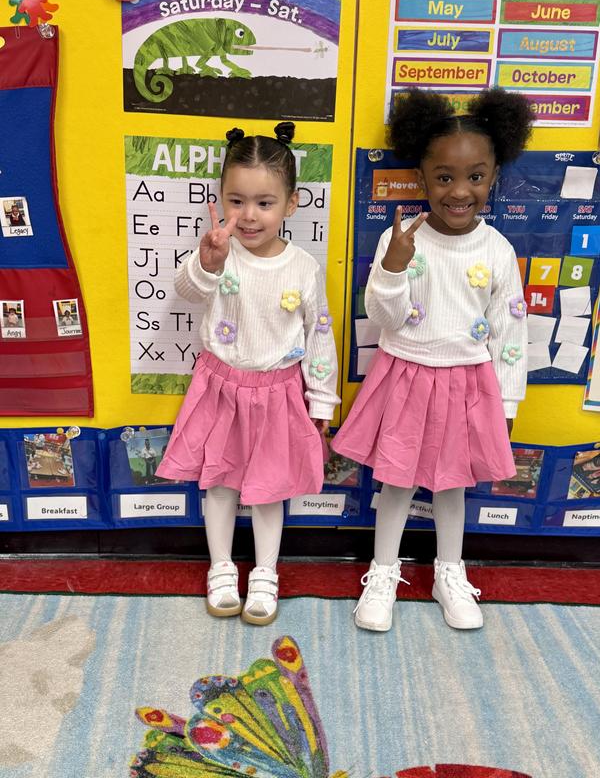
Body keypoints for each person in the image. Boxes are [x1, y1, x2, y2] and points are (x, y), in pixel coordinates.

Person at [332, 88, 533, 632]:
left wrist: (508, 402)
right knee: (396, 482)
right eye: (444, 177)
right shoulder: (400, 240)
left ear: (494, 177)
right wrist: (394, 267)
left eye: (475, 176)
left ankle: (449, 571)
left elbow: (510, 332)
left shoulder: (497, 250)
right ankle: (382, 572)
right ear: (421, 178)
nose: (460, 191)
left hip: (468, 384)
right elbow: (384, 316)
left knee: (451, 485)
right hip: (404, 376)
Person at [156, 122, 339, 625]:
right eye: (236, 201)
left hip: (280, 393)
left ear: (292, 203)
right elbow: (188, 292)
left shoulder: (303, 266)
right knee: (219, 482)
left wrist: (322, 399)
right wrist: (208, 263)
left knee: (269, 489)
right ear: (220, 199)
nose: (249, 215)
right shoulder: (217, 254)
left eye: (264, 202)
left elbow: (320, 336)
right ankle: (219, 566)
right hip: (220, 387)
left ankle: (265, 571)